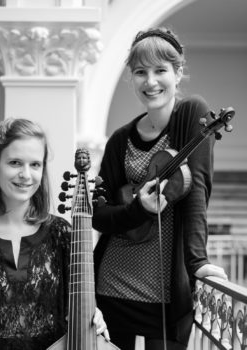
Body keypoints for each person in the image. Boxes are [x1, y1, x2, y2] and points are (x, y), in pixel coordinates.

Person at [92, 27, 228, 350]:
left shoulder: (192, 114)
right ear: (132, 78)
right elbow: (98, 214)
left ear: (178, 73)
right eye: (140, 72)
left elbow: (196, 191)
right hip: (112, 284)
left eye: (160, 70)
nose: (150, 81)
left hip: (165, 293)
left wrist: (197, 262)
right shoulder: (119, 141)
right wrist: (137, 209)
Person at [0, 118, 108, 350]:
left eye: (35, 164)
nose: (26, 174)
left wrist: (94, 318)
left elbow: (77, 310)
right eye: (15, 162)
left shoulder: (63, 234)